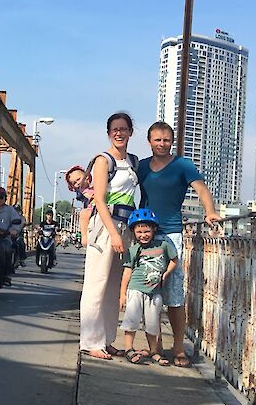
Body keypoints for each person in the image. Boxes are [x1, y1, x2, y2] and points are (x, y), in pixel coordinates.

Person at [137, 122, 222, 368]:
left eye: (166, 140)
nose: (161, 144)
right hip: (146, 233)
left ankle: (178, 346)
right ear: (149, 141)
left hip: (172, 233)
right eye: (157, 140)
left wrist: (210, 212)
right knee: (148, 291)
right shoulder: (141, 166)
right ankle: (154, 346)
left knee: (174, 292)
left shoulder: (182, 165)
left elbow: (201, 189)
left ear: (171, 142)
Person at [79, 112, 140, 361]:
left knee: (114, 286)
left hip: (126, 226)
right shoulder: (103, 161)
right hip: (106, 226)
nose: (119, 133)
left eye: (123, 129)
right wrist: (113, 233)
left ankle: (106, 339)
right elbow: (100, 201)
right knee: (97, 283)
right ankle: (90, 341)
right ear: (108, 133)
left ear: (130, 132)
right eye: (114, 129)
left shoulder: (133, 161)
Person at [118, 209, 178, 365]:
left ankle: (154, 351)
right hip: (136, 289)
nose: (143, 235)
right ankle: (128, 349)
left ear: (154, 230)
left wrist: (166, 273)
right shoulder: (134, 250)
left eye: (146, 231)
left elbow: (174, 260)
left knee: (152, 324)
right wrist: (122, 294)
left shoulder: (163, 245)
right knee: (131, 320)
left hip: (155, 292)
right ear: (134, 232)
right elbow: (127, 272)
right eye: (139, 232)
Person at [65, 165, 94, 247]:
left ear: (87, 176)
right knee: (84, 214)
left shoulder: (95, 182)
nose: (77, 183)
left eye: (78, 179)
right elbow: (93, 197)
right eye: (74, 183)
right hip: (92, 208)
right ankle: (84, 238)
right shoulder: (84, 191)